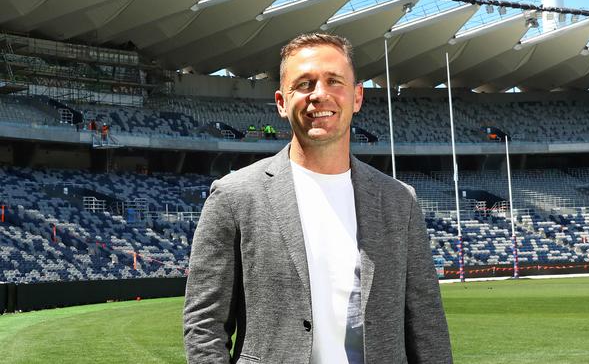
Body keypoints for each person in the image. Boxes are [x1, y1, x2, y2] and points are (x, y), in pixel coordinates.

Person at [184, 33, 452, 364]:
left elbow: (427, 326)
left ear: (357, 97)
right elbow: (204, 327)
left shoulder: (399, 200)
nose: (319, 95)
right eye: (305, 84)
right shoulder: (234, 196)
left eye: (333, 81)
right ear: (282, 102)